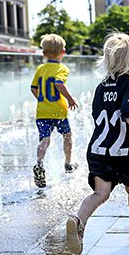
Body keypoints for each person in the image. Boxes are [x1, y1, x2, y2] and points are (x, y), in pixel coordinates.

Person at [65, 32, 129, 255]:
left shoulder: (100, 87)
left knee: (100, 193)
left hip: (98, 149)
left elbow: (97, 114)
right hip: (122, 151)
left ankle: (79, 221)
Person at [30, 34, 79, 188]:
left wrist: (41, 100)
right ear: (63, 52)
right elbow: (58, 83)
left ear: (44, 53)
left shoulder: (40, 68)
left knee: (44, 139)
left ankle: (39, 163)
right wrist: (70, 99)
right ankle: (68, 163)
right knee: (67, 136)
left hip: (42, 113)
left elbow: (33, 88)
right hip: (59, 112)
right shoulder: (62, 68)